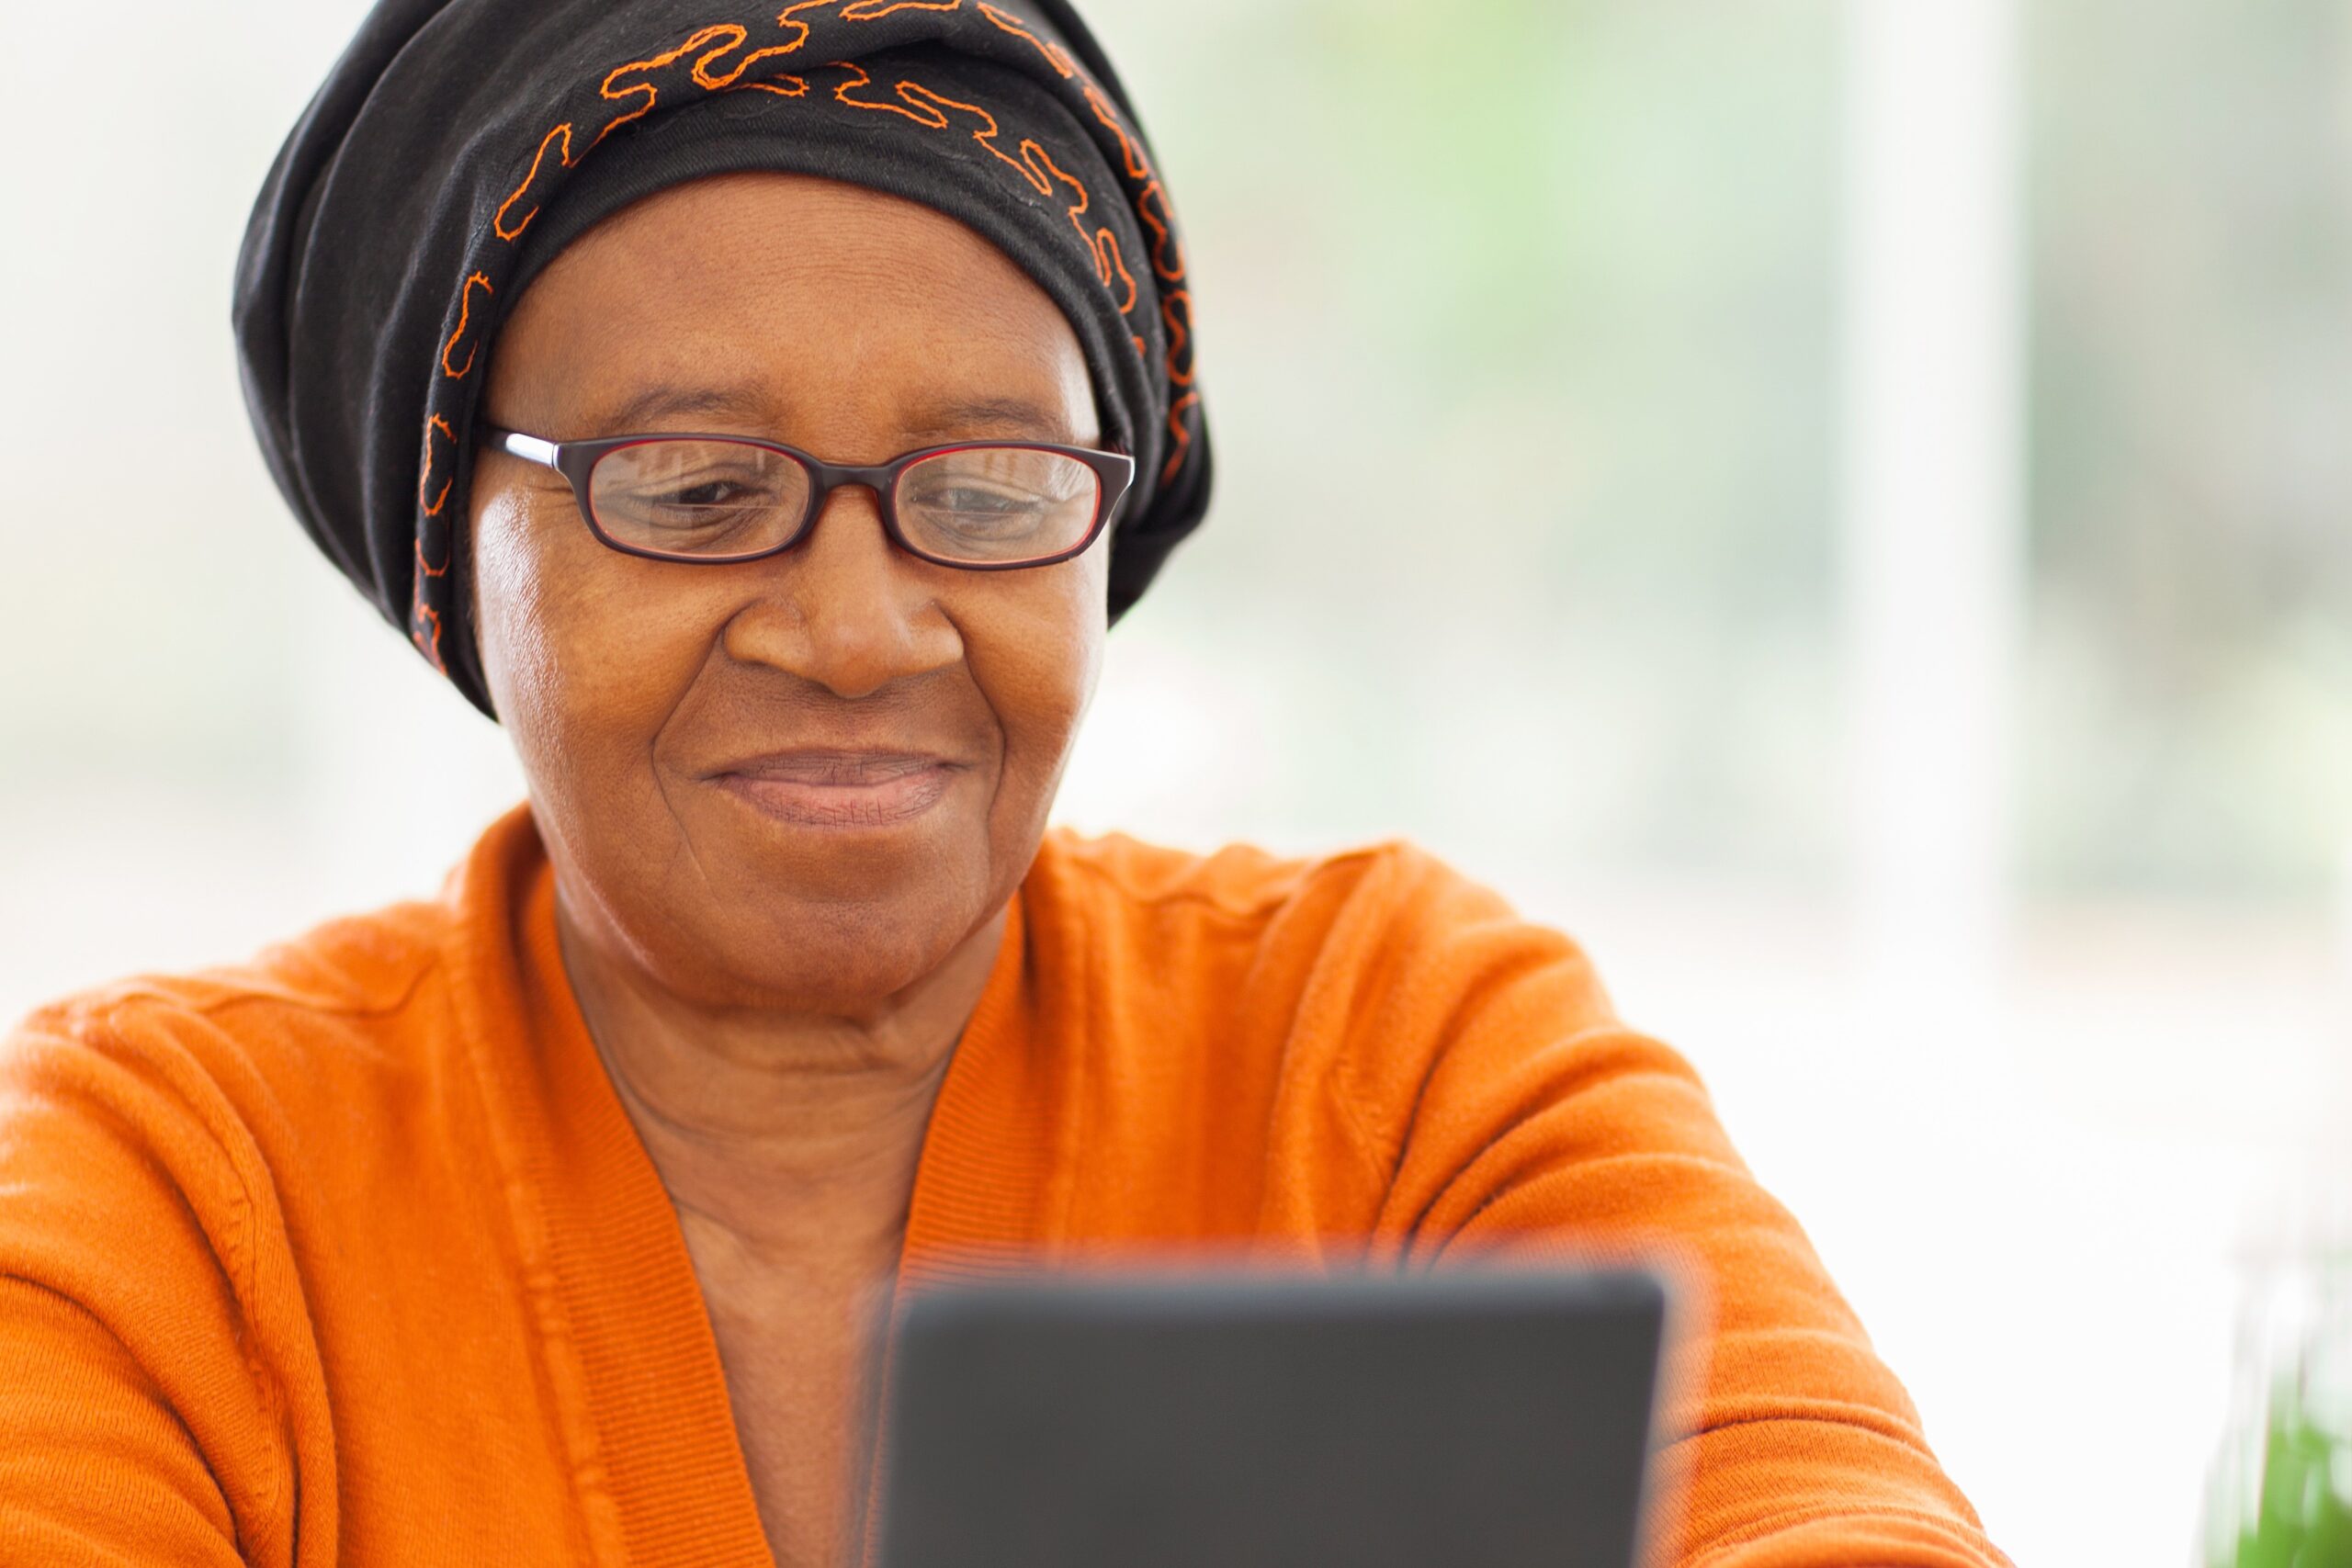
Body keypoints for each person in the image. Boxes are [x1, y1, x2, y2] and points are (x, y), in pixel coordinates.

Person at [0, 2, 2006, 1564]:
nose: (863, 627)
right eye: (698, 491)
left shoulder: (1389, 1056)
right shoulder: (170, 1191)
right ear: (464, 555)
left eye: (984, 492)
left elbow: (1818, 1505)